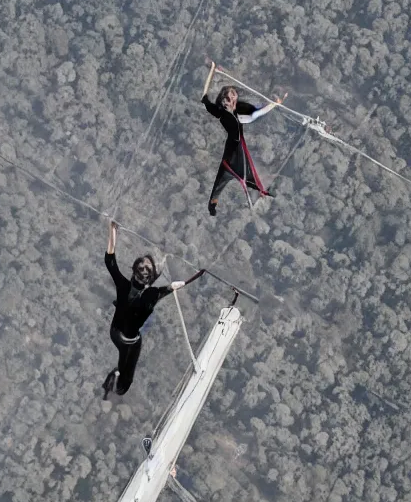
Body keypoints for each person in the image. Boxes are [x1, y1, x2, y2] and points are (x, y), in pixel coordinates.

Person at [102, 221, 197, 399]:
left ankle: (114, 381)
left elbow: (110, 262)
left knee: (124, 377)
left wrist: (112, 231)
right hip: (126, 339)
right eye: (143, 268)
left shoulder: (135, 289)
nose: (144, 270)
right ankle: (114, 382)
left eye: (146, 269)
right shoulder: (147, 292)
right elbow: (110, 262)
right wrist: (176, 285)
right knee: (124, 381)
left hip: (121, 334)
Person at [201, 62, 286, 215]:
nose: (232, 97)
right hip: (234, 150)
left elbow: (255, 114)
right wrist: (212, 71)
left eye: (233, 95)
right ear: (225, 101)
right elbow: (205, 96)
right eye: (229, 96)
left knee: (242, 174)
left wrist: (274, 104)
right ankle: (213, 203)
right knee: (228, 176)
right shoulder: (222, 112)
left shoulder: (237, 113)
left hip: (236, 149)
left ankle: (260, 191)